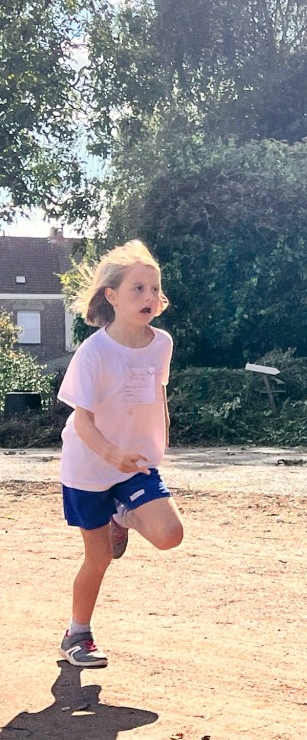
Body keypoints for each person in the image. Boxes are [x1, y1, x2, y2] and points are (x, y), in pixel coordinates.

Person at [57, 240, 183, 669]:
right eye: (138, 288)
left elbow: (157, 393)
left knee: (170, 535)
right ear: (111, 296)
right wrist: (111, 453)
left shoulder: (161, 343)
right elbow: (81, 421)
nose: (149, 296)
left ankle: (122, 515)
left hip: (135, 464)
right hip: (89, 468)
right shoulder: (94, 352)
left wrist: (160, 442)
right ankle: (77, 635)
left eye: (155, 288)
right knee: (99, 557)